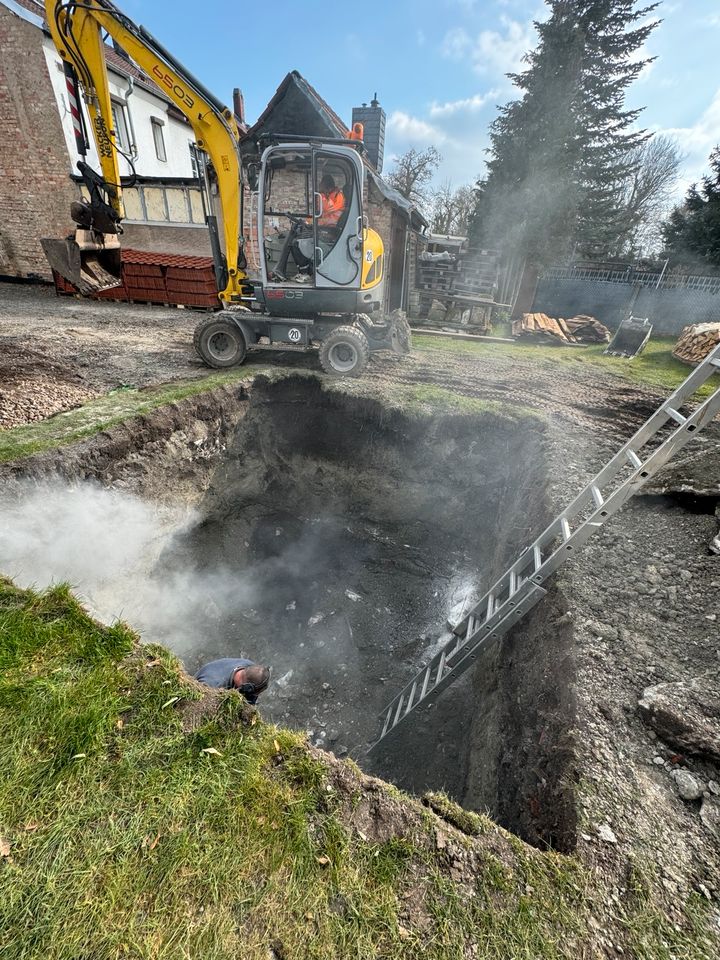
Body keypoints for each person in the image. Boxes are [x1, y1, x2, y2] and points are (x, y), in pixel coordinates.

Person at [195, 657, 270, 704]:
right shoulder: (211, 685)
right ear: (247, 688)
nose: (257, 695)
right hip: (202, 692)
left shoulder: (248, 666)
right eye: (256, 693)